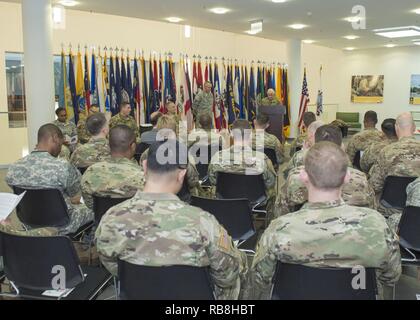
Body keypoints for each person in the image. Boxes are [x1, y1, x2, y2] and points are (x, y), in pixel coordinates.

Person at [95, 140, 248, 300]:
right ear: (182, 174)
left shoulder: (111, 218)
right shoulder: (203, 223)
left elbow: (111, 263)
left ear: (145, 166)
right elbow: (227, 276)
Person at [249, 141, 401, 300]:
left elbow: (260, 279)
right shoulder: (376, 225)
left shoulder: (279, 229)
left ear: (303, 176)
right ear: (347, 177)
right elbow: (391, 276)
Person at [6, 124, 93, 235]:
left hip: (29, 223)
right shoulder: (63, 166)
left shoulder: (14, 167)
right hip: (63, 224)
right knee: (96, 207)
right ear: (55, 138)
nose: (60, 148)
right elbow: (76, 196)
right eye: (61, 144)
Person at [276, 125, 375, 217]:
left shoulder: (295, 177)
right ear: (342, 146)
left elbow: (281, 211)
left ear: (314, 142)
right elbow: (371, 209)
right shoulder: (361, 178)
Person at [208, 119, 277, 219]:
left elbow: (212, 180)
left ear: (231, 134)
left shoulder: (217, 157)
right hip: (256, 200)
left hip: (225, 198)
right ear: (250, 134)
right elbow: (270, 182)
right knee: (272, 191)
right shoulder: (262, 158)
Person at [370, 113, 420, 226]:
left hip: (388, 211)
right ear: (415, 127)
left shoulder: (386, 152)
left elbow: (375, 185)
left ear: (397, 128)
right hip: (416, 210)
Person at [81, 125, 145, 210]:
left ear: (109, 145)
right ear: (133, 146)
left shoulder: (90, 171)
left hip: (101, 221)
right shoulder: (142, 175)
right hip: (132, 220)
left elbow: (90, 205)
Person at [140, 115, 202, 198]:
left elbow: (143, 178)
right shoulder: (184, 153)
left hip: (152, 198)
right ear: (175, 132)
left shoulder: (146, 154)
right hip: (182, 200)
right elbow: (193, 181)